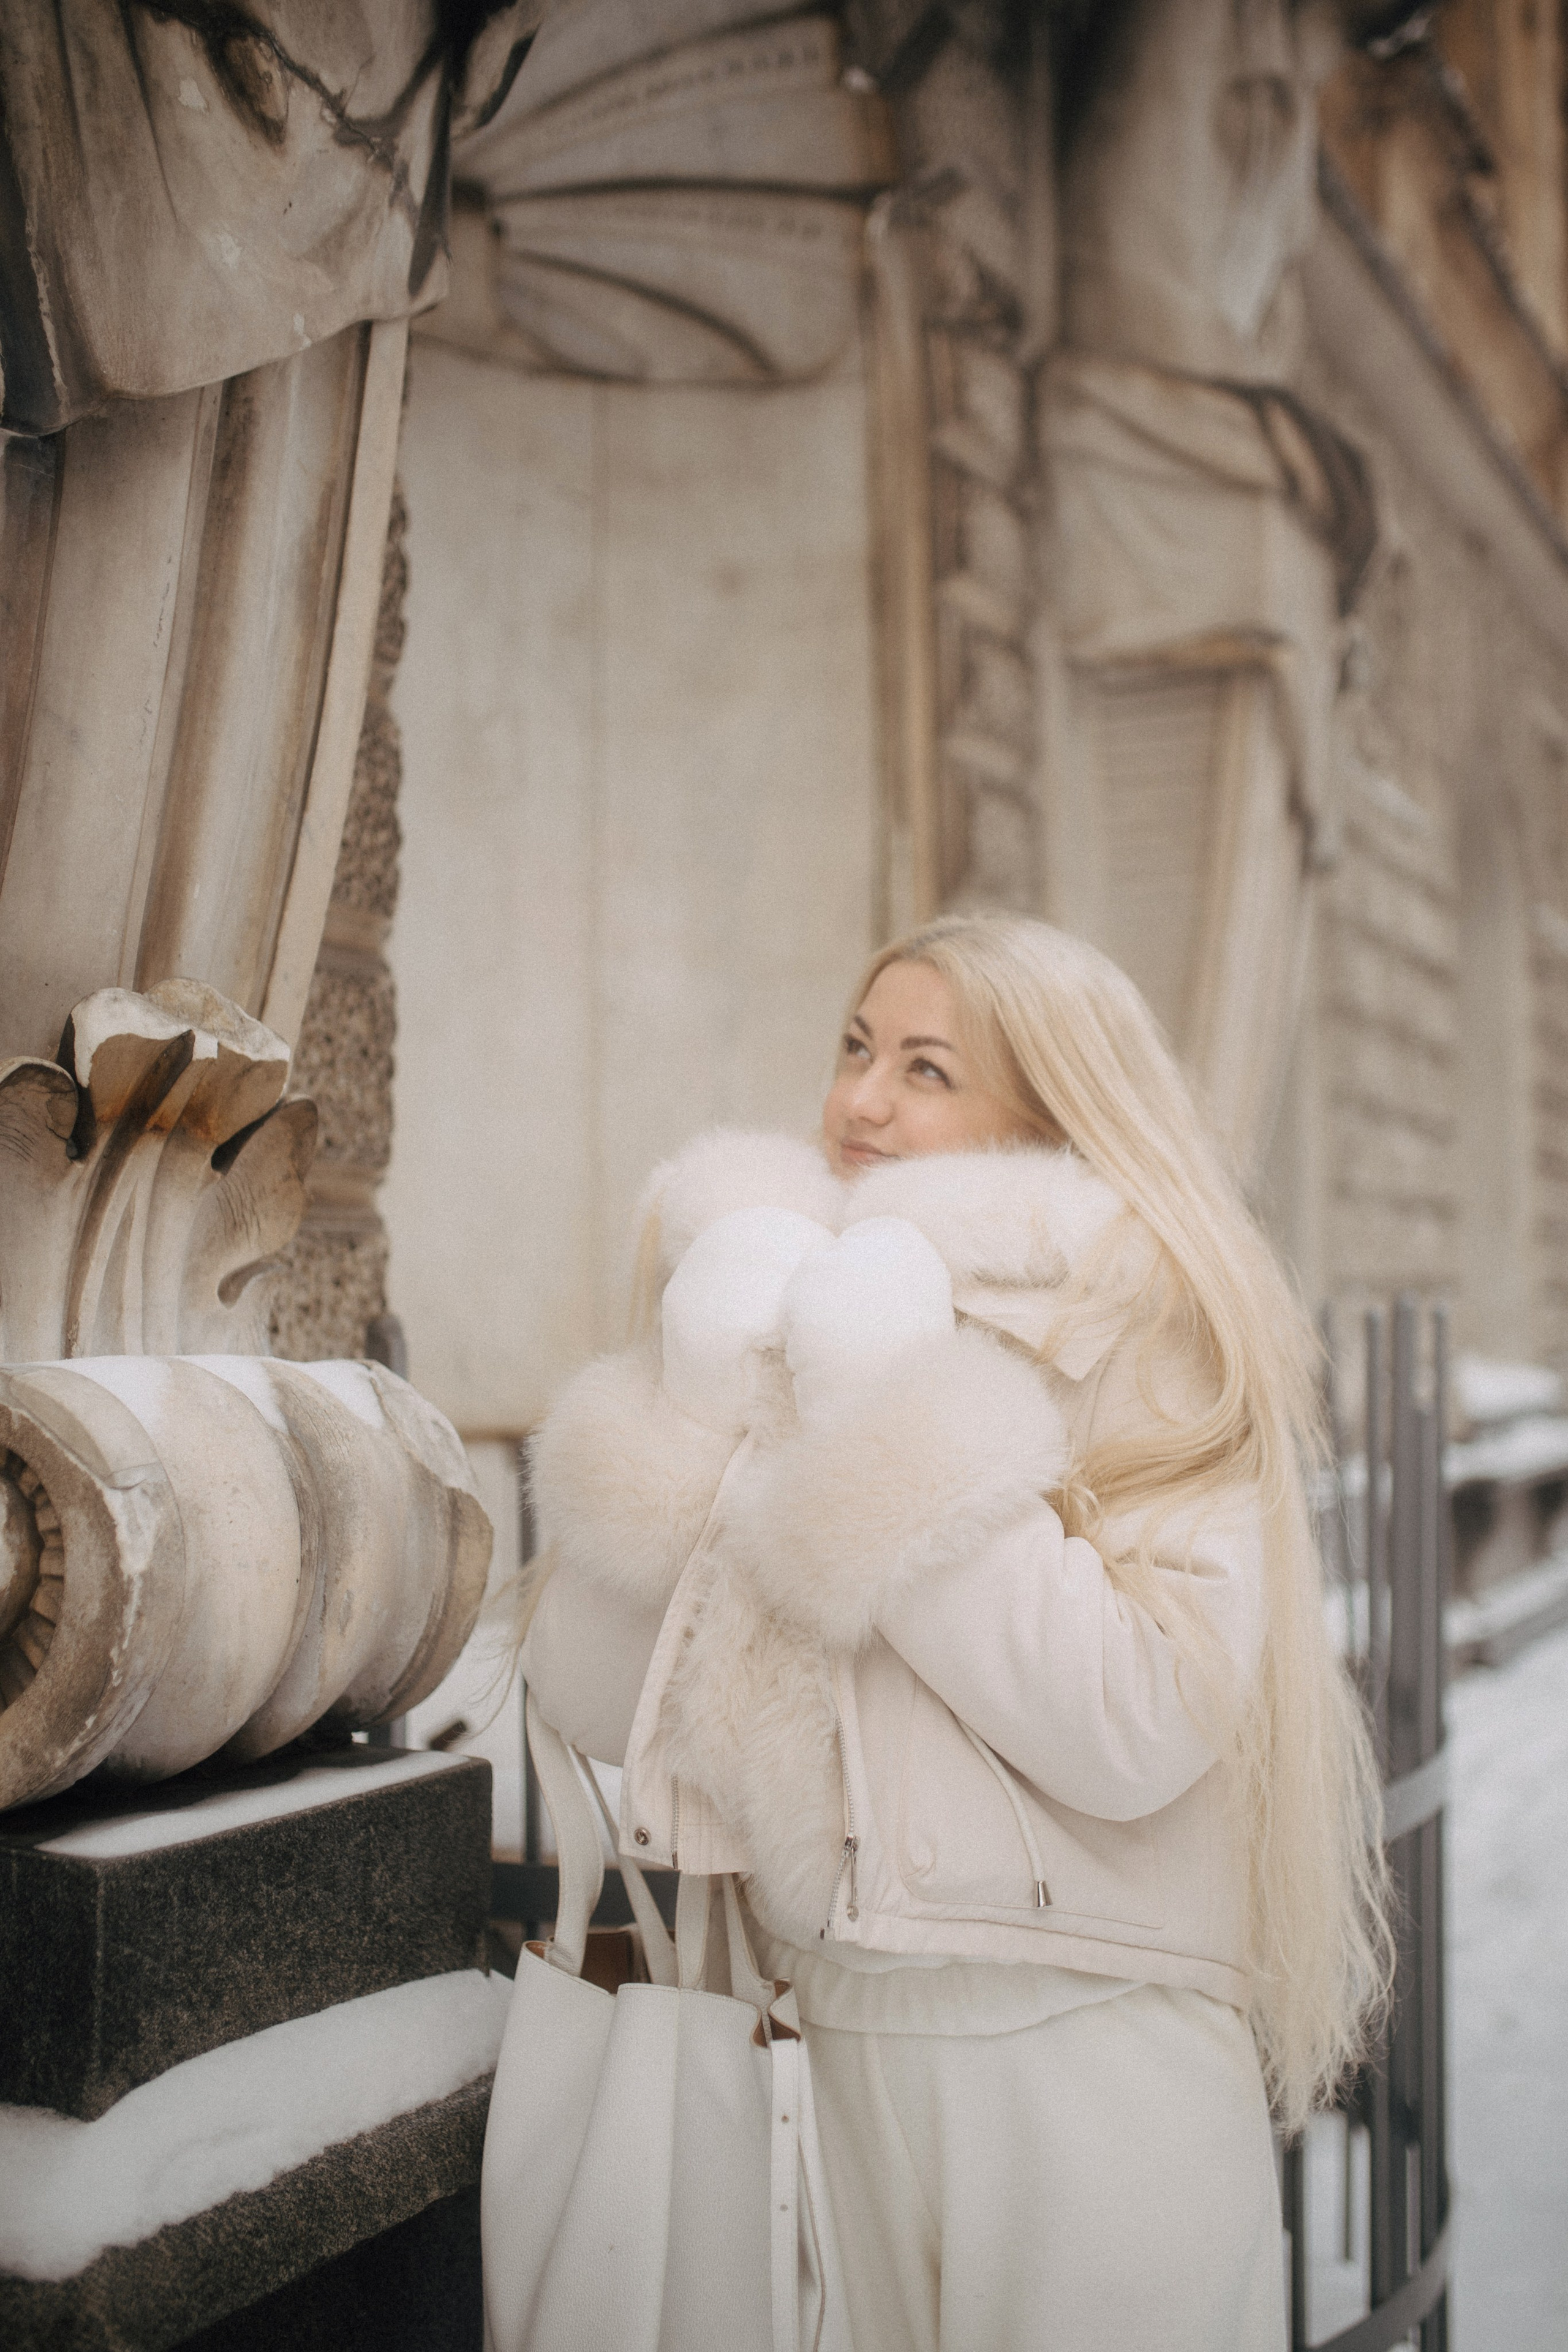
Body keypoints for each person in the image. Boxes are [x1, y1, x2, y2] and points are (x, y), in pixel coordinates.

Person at [518, 912, 1391, 2352]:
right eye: (856, 1049)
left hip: (1084, 2057)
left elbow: (1135, 1722)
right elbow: (594, 1700)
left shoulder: (1150, 1326)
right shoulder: (778, 1300)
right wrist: (692, 1401)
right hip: (833, 2054)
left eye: (926, 1069)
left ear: (1044, 1116)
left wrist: (885, 1407)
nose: (860, 1100)